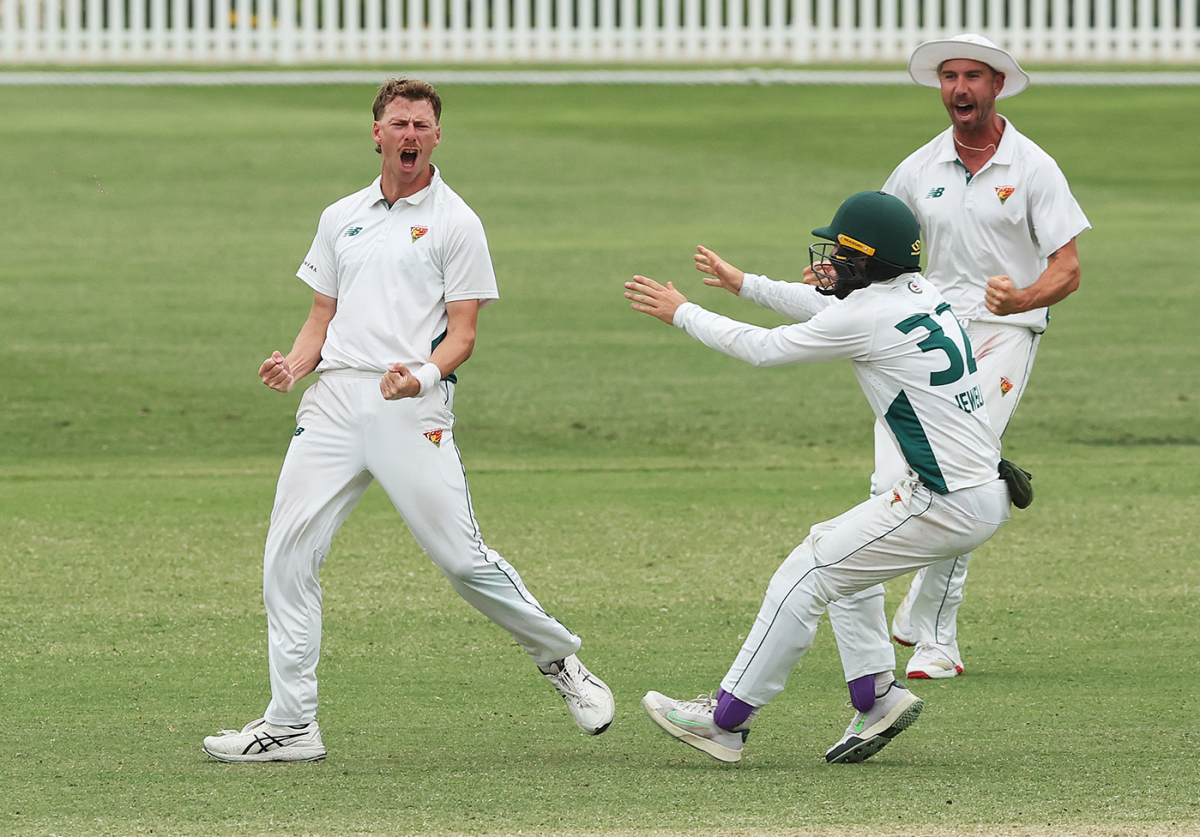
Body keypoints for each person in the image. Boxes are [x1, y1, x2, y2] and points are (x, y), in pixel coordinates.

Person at [202, 78, 614, 763]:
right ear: (377, 133)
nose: (411, 135)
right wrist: (294, 366)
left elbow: (463, 334)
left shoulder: (457, 221)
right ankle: (292, 722)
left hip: (408, 404)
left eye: (422, 125)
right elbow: (320, 317)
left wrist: (419, 375)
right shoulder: (341, 216)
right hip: (333, 401)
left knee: (462, 561)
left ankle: (560, 660)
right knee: (287, 555)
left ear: (437, 137)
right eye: (399, 123)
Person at [625, 190, 1019, 764]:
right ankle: (876, 696)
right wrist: (745, 285)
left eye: (841, 251)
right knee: (837, 560)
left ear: (867, 261)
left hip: (944, 502)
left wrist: (682, 312)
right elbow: (829, 308)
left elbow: (762, 349)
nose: (829, 260)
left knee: (805, 572)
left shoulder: (868, 314)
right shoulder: (916, 291)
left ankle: (725, 721)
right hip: (971, 492)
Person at [829, 34, 1090, 684]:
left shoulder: (1034, 168)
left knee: (962, 477)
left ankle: (936, 638)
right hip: (922, 335)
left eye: (973, 76)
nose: (960, 89)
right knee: (888, 482)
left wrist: (1021, 298)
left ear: (997, 85)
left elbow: (1069, 268)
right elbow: (874, 252)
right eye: (950, 76)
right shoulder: (916, 170)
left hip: (1005, 335)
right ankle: (907, 621)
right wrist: (836, 280)